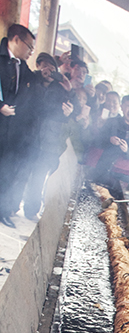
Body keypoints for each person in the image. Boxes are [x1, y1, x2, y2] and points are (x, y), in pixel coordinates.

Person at [21, 52, 74, 220]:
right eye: (44, 67)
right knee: (21, 172)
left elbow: (68, 112)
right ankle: (9, 206)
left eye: (52, 68)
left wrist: (69, 93)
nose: (48, 71)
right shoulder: (33, 80)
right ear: (38, 67)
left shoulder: (60, 88)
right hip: (27, 136)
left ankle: (31, 210)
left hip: (47, 140)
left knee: (38, 176)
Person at [0, 23, 37, 226]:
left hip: (9, 129)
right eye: (29, 46)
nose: (31, 52)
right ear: (15, 39)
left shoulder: (21, 64)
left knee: (6, 169)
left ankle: (2, 211)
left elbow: (35, 81)